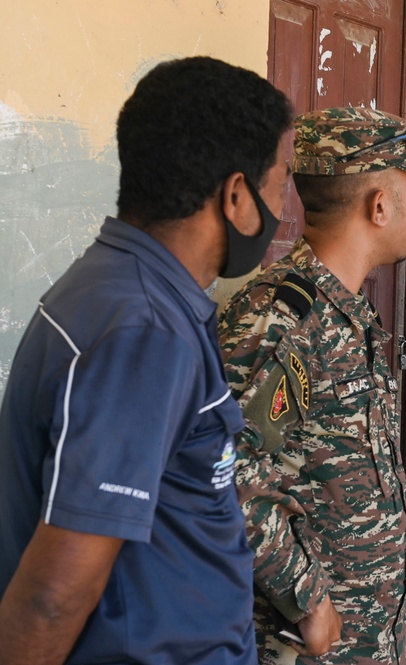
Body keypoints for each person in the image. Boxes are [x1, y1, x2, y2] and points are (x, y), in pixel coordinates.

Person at [0, 56, 294, 665]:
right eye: (281, 182)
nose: (283, 208)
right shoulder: (145, 330)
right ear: (237, 195)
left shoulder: (121, 287)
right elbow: (54, 596)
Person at [218, 107, 406, 665]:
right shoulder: (282, 315)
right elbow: (222, 468)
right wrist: (311, 602)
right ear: (380, 205)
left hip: (365, 640)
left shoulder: (347, 313)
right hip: (305, 645)